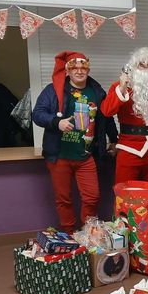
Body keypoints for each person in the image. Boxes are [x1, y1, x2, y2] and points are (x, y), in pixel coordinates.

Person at [32, 51, 117, 233]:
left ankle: (88, 232)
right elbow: (37, 114)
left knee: (92, 197)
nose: (79, 71)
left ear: (88, 68)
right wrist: (57, 122)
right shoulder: (53, 90)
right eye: (74, 67)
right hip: (59, 155)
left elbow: (107, 117)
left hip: (85, 155)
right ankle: (70, 234)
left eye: (83, 67)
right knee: (64, 199)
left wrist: (114, 139)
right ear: (67, 71)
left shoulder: (97, 91)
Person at [100, 47, 148, 184]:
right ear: (134, 67)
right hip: (129, 149)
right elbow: (107, 111)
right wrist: (122, 88)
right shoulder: (120, 87)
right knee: (125, 197)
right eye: (142, 64)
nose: (147, 69)